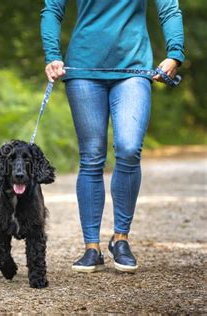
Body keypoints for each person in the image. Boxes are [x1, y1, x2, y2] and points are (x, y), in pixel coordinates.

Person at [41, 0, 184, 273]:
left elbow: (169, 9)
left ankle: (121, 239)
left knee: (129, 149)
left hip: (133, 69)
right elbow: (51, 9)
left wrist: (174, 53)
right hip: (83, 70)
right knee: (92, 156)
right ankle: (91, 247)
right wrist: (52, 55)